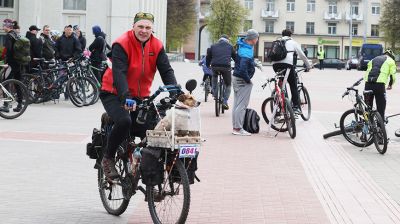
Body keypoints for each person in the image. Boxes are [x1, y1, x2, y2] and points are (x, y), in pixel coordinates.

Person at [100, 12, 177, 179]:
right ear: (133, 27)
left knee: (152, 132)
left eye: (148, 27)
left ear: (152, 29)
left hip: (140, 96)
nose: (144, 30)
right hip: (113, 92)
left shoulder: (157, 46)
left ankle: (151, 180)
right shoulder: (122, 43)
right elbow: (119, 73)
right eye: (140, 26)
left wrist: (176, 92)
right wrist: (125, 96)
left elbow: (166, 70)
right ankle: (108, 158)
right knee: (124, 121)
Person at [272, 29, 311, 115]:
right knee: (293, 84)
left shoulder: (277, 41)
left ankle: (281, 102)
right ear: (290, 35)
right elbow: (302, 56)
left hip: (275, 65)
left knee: (282, 83)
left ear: (282, 35)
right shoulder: (293, 42)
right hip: (287, 65)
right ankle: (296, 107)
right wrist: (308, 66)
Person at [231, 29, 259, 136]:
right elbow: (243, 68)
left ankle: (235, 127)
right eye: (256, 37)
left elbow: (245, 62)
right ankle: (238, 129)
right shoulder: (246, 50)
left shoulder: (243, 46)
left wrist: (254, 64)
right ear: (252, 39)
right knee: (242, 105)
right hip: (242, 80)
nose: (257, 39)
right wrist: (248, 80)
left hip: (236, 78)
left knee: (237, 104)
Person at [364, 49, 396, 120]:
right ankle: (380, 126)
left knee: (367, 107)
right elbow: (392, 75)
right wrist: (390, 84)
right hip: (379, 85)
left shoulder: (373, 59)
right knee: (381, 106)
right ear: (391, 56)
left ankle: (366, 125)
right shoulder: (391, 61)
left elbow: (368, 70)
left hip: (368, 84)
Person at [206, 34, 236, 110]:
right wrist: (236, 66)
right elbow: (235, 58)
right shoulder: (230, 46)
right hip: (226, 67)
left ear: (220, 39)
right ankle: (225, 101)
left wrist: (207, 65)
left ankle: (214, 93)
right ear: (227, 40)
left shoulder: (213, 46)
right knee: (228, 84)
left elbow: (208, 57)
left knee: (214, 77)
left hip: (215, 66)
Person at [0, 19, 23, 112]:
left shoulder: (9, 36)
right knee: (17, 83)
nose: (2, 27)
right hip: (19, 63)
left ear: (8, 26)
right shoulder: (16, 34)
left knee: (5, 82)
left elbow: (8, 49)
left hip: (11, 63)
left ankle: (6, 105)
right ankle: (20, 104)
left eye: (4, 26)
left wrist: (6, 62)